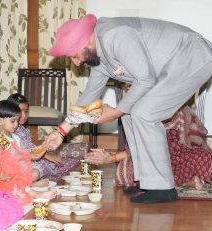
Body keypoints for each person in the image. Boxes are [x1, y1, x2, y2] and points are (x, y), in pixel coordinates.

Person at [45, 14, 212, 203]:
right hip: (173, 66)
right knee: (129, 114)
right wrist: (61, 131)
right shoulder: (99, 54)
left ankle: (163, 188)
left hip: (192, 57)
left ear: (86, 42)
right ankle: (146, 181)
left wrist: (115, 112)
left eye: (74, 55)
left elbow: (145, 79)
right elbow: (90, 94)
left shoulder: (115, 36)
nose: (76, 62)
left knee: (144, 113)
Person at [86, 106, 212, 190]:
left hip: (180, 154)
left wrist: (111, 158)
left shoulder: (179, 105)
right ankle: (188, 182)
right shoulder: (136, 107)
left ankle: (187, 181)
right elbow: (138, 146)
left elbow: (194, 137)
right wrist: (111, 158)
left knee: (206, 159)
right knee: (129, 173)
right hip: (148, 156)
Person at [0, 100, 57, 205]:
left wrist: (30, 156)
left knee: (34, 172)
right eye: (12, 121)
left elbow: (21, 159)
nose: (16, 124)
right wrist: (29, 156)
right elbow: (12, 155)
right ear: (0, 121)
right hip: (1, 171)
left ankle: (29, 185)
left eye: (17, 120)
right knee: (20, 176)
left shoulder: (16, 137)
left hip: (16, 169)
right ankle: (33, 190)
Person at [7, 93, 86, 181]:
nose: (24, 116)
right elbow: (23, 150)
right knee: (47, 167)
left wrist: (44, 150)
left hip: (31, 158)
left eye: (26, 111)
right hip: (22, 161)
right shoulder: (8, 131)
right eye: (20, 111)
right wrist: (46, 155)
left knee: (68, 161)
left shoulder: (22, 129)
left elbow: (30, 146)